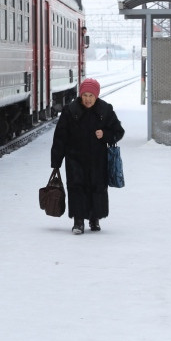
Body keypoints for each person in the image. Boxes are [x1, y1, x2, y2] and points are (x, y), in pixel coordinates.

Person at [50, 78, 125, 234]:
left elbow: (118, 131)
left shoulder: (105, 110)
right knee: (76, 187)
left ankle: (94, 219)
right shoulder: (70, 111)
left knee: (97, 187)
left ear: (96, 96)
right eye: (85, 95)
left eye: (91, 95)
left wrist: (105, 134)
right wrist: (56, 161)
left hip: (98, 159)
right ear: (80, 95)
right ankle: (78, 221)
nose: (88, 99)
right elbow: (60, 138)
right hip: (75, 158)